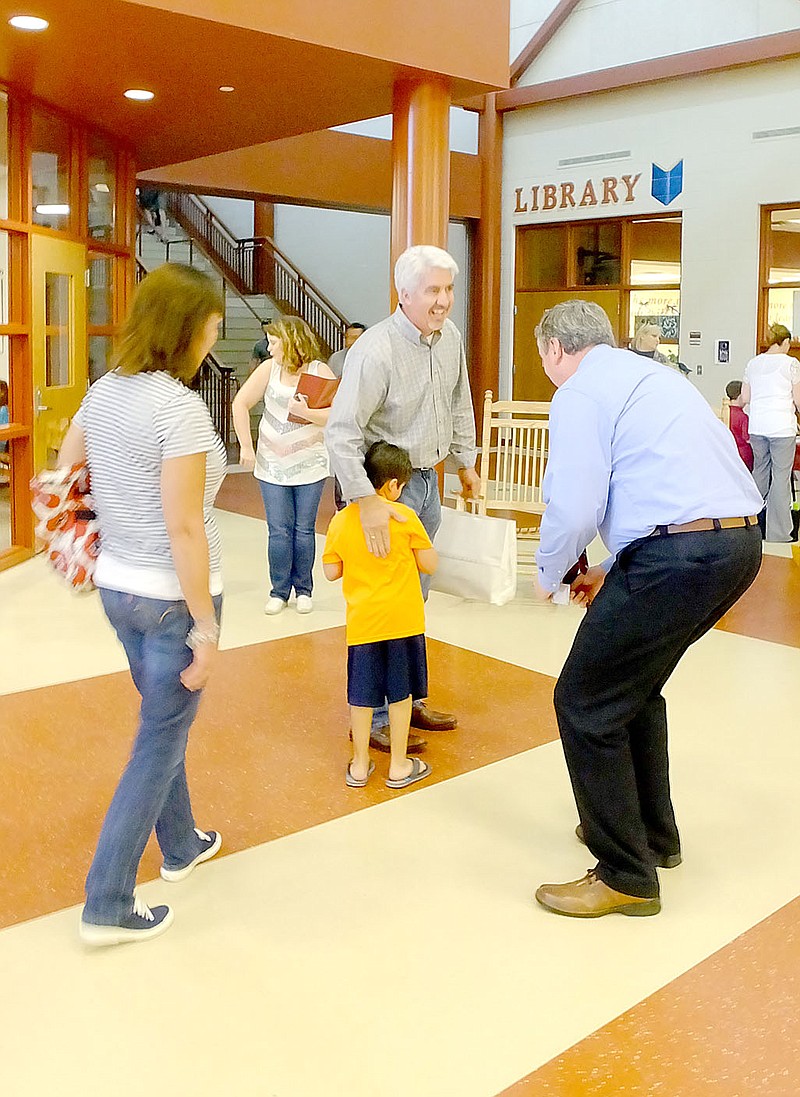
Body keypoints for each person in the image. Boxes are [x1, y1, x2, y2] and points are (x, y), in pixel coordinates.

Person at [531, 300, 763, 919]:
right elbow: (665, 483)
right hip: (736, 544)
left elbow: (575, 502)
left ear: (554, 349)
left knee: (583, 702)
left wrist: (548, 571)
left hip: (681, 555)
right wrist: (613, 567)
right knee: (633, 689)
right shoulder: (654, 376)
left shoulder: (579, 392)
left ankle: (625, 874)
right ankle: (653, 837)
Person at [58, 264, 227, 946]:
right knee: (158, 737)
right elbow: (185, 526)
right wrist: (207, 626)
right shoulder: (178, 408)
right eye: (210, 330)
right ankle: (108, 901)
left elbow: (66, 470)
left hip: (118, 589)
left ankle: (181, 842)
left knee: (164, 723)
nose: (212, 345)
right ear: (182, 330)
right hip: (171, 600)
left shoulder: (105, 391)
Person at [326, 244, 480, 755]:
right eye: (433, 290)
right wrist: (365, 500)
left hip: (427, 485)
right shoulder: (376, 350)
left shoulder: (450, 337)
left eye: (448, 289)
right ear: (405, 293)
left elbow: (460, 400)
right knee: (382, 608)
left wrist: (466, 461)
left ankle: (407, 702)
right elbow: (341, 432)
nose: (443, 301)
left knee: (414, 603)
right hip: (385, 491)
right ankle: (371, 719)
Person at [323, 441, 437, 789]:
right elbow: (429, 564)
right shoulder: (406, 518)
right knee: (400, 696)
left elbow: (330, 572)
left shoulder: (342, 521)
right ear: (393, 485)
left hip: (364, 625)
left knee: (361, 696)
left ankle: (359, 765)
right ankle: (399, 766)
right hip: (403, 621)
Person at [232, 316, 336, 615]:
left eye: (274, 342)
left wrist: (307, 413)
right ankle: (279, 590)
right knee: (279, 530)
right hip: (272, 463)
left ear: (290, 341)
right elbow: (241, 403)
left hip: (310, 463)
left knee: (304, 529)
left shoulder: (319, 371)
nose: (269, 347)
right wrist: (247, 446)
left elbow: (336, 413)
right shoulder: (269, 369)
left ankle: (304, 589)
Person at [741, 323, 800, 542]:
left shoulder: (753, 363)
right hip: (782, 427)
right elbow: (798, 399)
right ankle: (778, 533)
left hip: (757, 427)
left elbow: (745, 397)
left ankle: (750, 526)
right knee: (781, 478)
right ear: (785, 342)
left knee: (760, 474)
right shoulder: (791, 364)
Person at [725, 380, 754, 471]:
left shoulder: (725, 413)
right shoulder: (743, 417)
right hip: (743, 455)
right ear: (741, 396)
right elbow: (747, 438)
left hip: (729, 453)